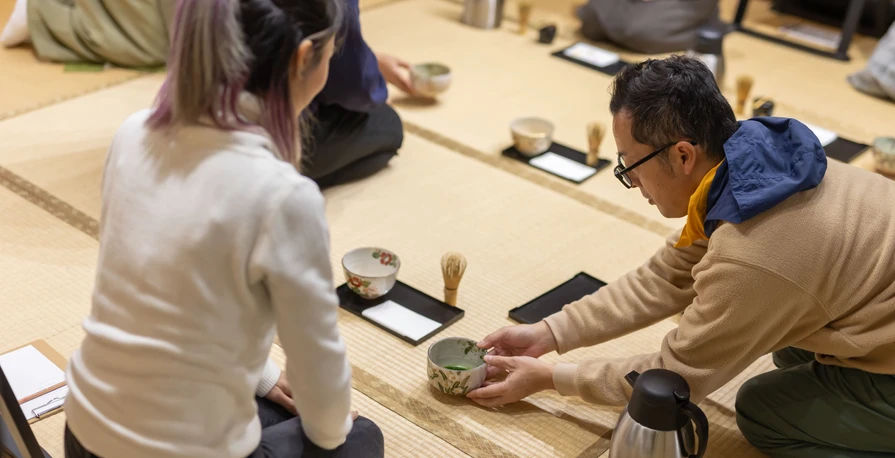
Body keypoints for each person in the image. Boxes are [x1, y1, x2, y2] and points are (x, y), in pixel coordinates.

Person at [467, 55, 895, 458]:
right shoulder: (752, 163)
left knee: (761, 410)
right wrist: (548, 333)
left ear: (683, 154)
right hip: (875, 312)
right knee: (789, 349)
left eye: (630, 166)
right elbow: (668, 277)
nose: (631, 181)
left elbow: (674, 375)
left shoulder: (753, 254)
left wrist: (551, 379)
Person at [62, 1, 384, 457]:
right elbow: (319, 375)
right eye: (331, 54)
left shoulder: (132, 134)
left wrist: (268, 380)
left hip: (85, 433)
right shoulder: (283, 196)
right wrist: (334, 427)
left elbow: (165, 309)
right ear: (302, 57)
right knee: (359, 436)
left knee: (274, 403)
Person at [300, 0, 411, 189]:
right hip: (276, 133)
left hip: (236, 113)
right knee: (388, 124)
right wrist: (376, 89)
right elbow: (351, 84)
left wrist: (372, 59)